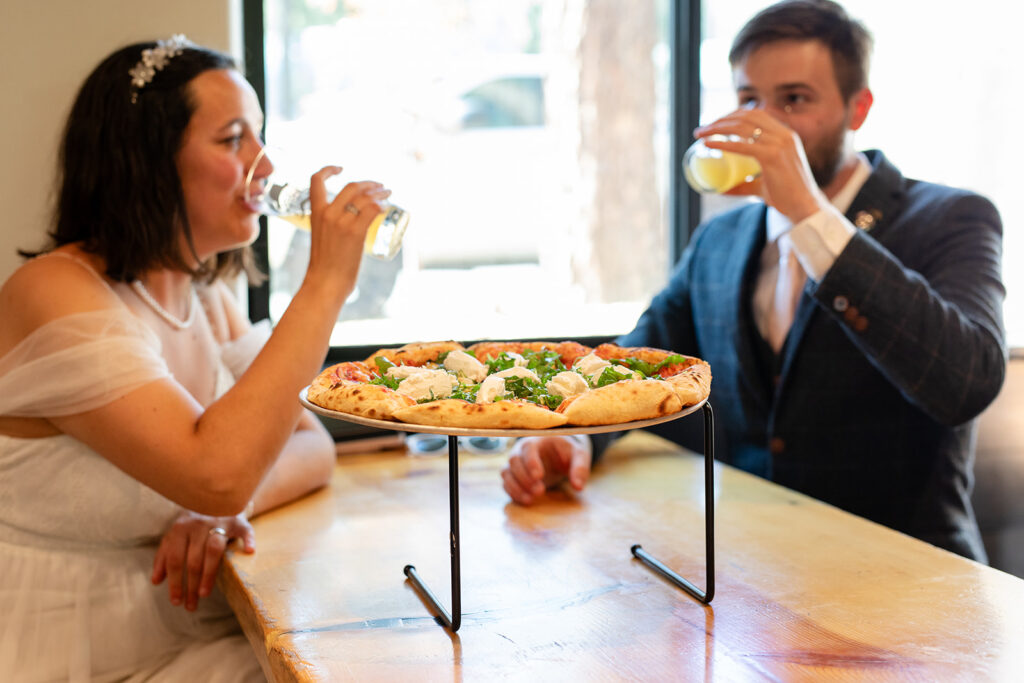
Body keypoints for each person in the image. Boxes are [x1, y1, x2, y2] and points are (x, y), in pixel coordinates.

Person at [501, 0, 1006, 562]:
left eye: (793, 100)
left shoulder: (953, 216)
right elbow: (637, 366)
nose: (763, 125)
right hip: (755, 577)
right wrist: (572, 437)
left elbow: (968, 381)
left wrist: (810, 216)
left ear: (857, 109)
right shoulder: (722, 238)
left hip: (917, 583)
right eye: (748, 100)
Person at [0, 36, 392, 680]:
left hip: (181, 629)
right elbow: (216, 470)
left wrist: (219, 512)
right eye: (233, 139)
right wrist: (324, 285)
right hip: (69, 647)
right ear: (148, 161)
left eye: (260, 136)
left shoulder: (205, 295)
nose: (263, 167)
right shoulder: (54, 291)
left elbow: (311, 445)